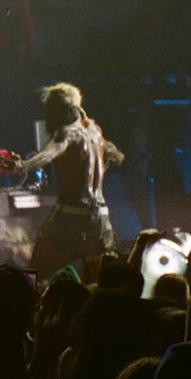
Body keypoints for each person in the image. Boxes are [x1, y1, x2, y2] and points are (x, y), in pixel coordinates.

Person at [11, 83, 124, 276]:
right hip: (102, 219)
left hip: (72, 217)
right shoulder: (94, 132)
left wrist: (22, 166)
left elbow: (49, 154)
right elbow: (117, 156)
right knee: (97, 279)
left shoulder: (68, 132)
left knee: (37, 270)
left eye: (50, 110)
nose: (48, 116)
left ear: (61, 109)